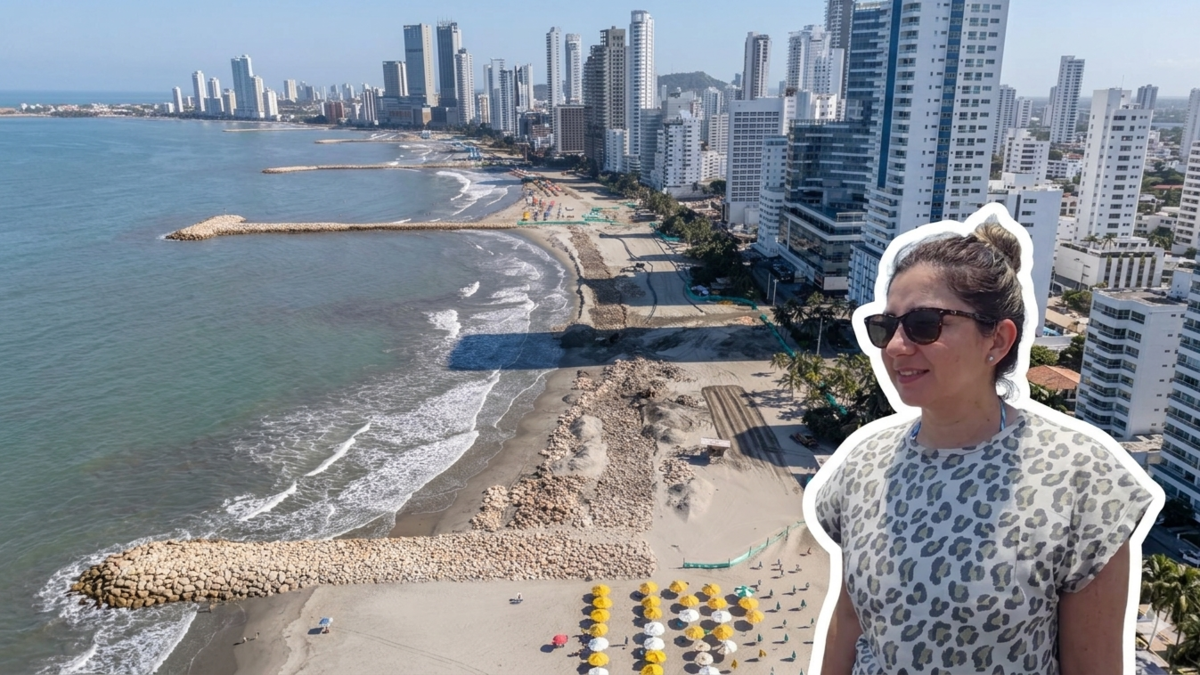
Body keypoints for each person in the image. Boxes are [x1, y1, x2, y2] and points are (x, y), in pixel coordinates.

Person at [810, 217, 1160, 675]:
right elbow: (851, 619)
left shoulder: (1081, 480)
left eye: (923, 324)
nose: (894, 346)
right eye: (885, 326)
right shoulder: (863, 466)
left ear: (997, 339)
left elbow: (1093, 666)